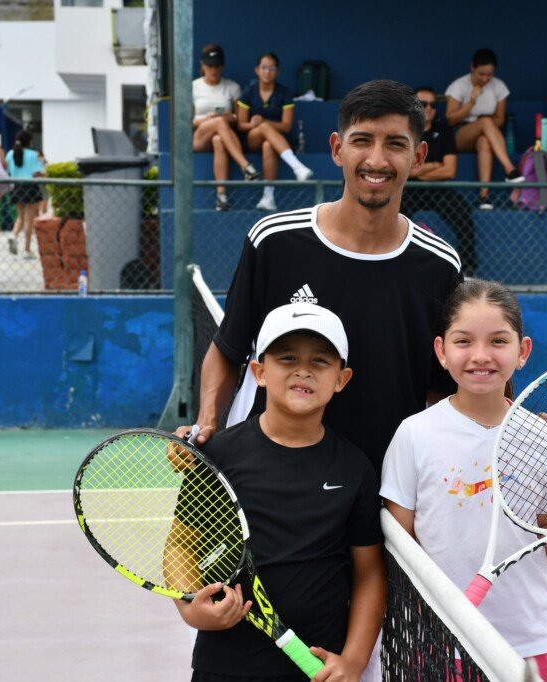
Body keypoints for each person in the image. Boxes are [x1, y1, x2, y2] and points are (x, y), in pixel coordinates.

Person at [181, 79, 462, 480]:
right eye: (362, 140)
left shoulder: (440, 266)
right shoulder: (274, 241)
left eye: (395, 144)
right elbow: (228, 350)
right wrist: (207, 422)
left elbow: (443, 388)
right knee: (185, 545)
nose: (377, 160)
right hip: (265, 482)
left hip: (380, 490)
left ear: (418, 157)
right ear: (336, 149)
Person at [380, 278, 547, 682]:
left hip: (527, 640)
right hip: (441, 641)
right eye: (463, 342)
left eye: (498, 341)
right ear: (441, 351)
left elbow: (543, 540)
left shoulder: (543, 438)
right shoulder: (414, 435)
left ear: (522, 351)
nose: (480, 356)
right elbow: (402, 553)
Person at [172, 301, 385, 682]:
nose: (303, 369)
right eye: (287, 357)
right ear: (259, 373)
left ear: (342, 379)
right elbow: (181, 542)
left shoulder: (355, 468)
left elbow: (369, 574)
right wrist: (190, 604)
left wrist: (352, 661)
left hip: (316, 666)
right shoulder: (217, 455)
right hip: (225, 665)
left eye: (321, 361)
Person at [401, 86, 478, 277]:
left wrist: (417, 170)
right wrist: (433, 165)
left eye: (433, 105)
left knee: (462, 212)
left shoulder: (444, 131)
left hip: (438, 189)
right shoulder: (403, 130)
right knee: (390, 215)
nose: (428, 108)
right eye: (423, 104)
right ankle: (389, 262)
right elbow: (401, 169)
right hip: (410, 188)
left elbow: (449, 170)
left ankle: (467, 269)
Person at [444, 48, 524, 210]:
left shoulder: (499, 86)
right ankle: (509, 169)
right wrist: (471, 103)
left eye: (490, 74)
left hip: (488, 133)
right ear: (472, 67)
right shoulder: (459, 85)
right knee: (486, 121)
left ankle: (484, 196)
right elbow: (450, 119)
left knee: (484, 142)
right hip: (461, 134)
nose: (486, 78)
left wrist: (483, 124)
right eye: (482, 74)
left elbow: (500, 119)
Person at [236, 52, 314, 212]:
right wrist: (254, 124)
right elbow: (241, 125)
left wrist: (264, 122)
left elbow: (286, 126)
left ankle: (268, 197)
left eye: (272, 68)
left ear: (277, 72)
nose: (267, 72)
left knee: (268, 145)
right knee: (264, 129)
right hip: (252, 139)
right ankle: (297, 166)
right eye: (264, 67)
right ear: (257, 70)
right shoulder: (248, 92)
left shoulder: (284, 93)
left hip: (275, 141)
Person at [191, 43, 261, 211]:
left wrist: (231, 117)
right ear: (202, 65)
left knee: (219, 140)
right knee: (218, 123)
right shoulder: (194, 86)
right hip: (199, 136)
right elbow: (188, 121)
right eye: (209, 66)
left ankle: (221, 197)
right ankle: (246, 166)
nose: (213, 70)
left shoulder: (232, 87)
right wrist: (209, 119)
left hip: (224, 134)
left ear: (222, 66)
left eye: (217, 66)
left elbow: (239, 119)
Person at [5, 130, 46, 259]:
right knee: (29, 219)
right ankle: (27, 250)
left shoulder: (10, 154)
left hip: (16, 186)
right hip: (30, 187)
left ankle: (14, 235)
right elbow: (36, 173)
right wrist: (45, 174)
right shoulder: (33, 155)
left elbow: (8, 171)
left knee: (20, 217)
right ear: (28, 141)